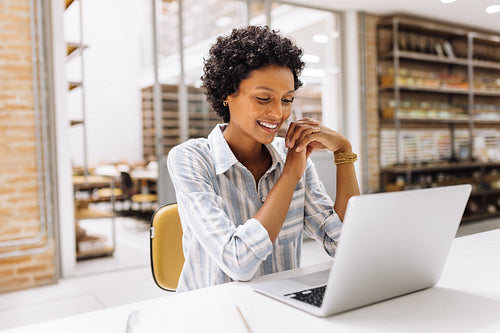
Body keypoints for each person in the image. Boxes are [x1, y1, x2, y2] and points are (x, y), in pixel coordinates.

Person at [167, 25, 360, 292]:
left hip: (280, 308)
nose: (278, 113)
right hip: (212, 314)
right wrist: (290, 175)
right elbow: (239, 263)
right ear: (227, 94)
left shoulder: (291, 155)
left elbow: (345, 246)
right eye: (263, 98)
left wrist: (344, 153)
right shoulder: (191, 159)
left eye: (287, 99)